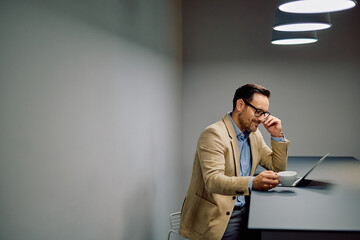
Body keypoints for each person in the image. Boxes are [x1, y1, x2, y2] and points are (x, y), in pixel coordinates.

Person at [179, 84, 290, 240]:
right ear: (240, 105)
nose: (261, 119)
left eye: (264, 114)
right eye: (258, 112)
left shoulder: (254, 135)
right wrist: (252, 183)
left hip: (248, 211)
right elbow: (213, 181)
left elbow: (276, 168)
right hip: (219, 217)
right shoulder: (214, 134)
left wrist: (276, 135)